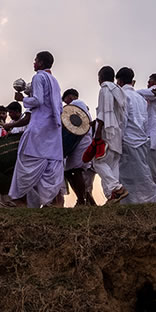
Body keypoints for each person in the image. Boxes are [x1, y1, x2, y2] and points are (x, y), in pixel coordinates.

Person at [8, 51, 64, 207]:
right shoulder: (54, 80)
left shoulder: (38, 77)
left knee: (24, 158)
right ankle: (52, 200)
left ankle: (19, 199)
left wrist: (22, 99)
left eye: (35, 60)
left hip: (39, 126)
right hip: (53, 128)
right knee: (50, 164)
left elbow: (38, 100)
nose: (33, 63)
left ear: (40, 63)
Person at [117, 67, 156, 203]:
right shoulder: (140, 98)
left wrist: (118, 139)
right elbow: (145, 121)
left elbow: (123, 120)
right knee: (144, 174)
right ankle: (149, 199)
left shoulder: (123, 96)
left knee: (127, 176)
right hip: (142, 140)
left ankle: (134, 201)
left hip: (128, 140)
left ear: (119, 81)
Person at [92, 66, 126, 202]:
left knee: (97, 162)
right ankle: (112, 197)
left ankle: (116, 188)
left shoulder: (105, 88)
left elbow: (104, 112)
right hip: (118, 132)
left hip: (107, 131)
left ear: (101, 77)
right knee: (113, 165)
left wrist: (98, 131)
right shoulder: (118, 90)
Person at [62, 88, 95, 206]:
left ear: (70, 97)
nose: (66, 104)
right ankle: (87, 200)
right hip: (78, 142)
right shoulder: (81, 105)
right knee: (68, 171)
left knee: (76, 170)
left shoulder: (77, 103)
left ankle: (82, 200)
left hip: (81, 141)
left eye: (66, 101)